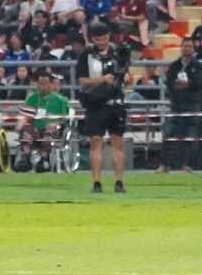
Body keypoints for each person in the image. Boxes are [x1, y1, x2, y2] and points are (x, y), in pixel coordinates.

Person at [77, 23, 130, 193]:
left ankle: (119, 181)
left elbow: (125, 73)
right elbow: (83, 80)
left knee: (118, 142)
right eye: (98, 39)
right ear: (93, 39)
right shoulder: (87, 54)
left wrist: (127, 78)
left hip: (116, 101)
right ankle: (97, 182)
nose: (102, 42)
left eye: (105, 38)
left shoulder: (118, 51)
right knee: (96, 141)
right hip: (95, 102)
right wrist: (101, 80)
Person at [164, 39, 202, 172]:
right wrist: (177, 86)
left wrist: (188, 84)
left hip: (192, 104)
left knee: (190, 135)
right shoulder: (174, 66)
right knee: (169, 133)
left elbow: (199, 82)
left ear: (193, 49)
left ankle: (187, 165)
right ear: (181, 48)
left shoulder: (198, 66)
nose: (187, 49)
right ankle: (164, 164)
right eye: (185, 46)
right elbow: (169, 83)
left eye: (190, 46)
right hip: (177, 104)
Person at [17, 72, 71, 171]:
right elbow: (26, 116)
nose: (42, 86)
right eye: (40, 83)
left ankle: (44, 159)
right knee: (26, 130)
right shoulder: (31, 98)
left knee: (49, 131)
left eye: (45, 83)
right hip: (36, 128)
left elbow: (63, 119)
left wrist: (55, 124)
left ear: (51, 84)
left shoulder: (61, 100)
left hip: (53, 129)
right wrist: (21, 124)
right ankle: (26, 157)